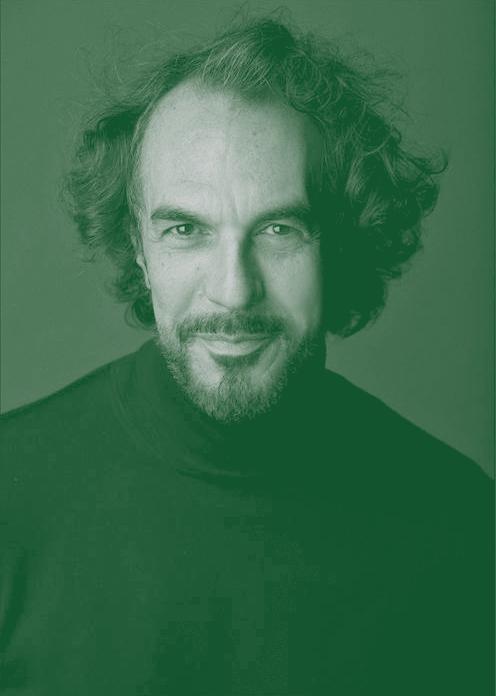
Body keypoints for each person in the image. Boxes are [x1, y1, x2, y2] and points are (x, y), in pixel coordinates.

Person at [0, 17, 492, 696]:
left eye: (279, 229)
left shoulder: (461, 522)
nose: (233, 290)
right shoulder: (10, 496)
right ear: (138, 246)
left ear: (340, 241)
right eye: (185, 229)